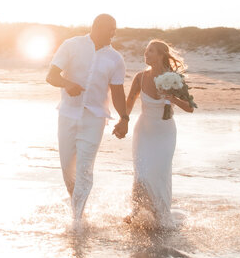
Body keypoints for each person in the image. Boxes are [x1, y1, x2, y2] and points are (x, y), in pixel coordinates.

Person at [46, 14, 128, 225]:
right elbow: (51, 76)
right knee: (68, 169)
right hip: (67, 115)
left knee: (84, 169)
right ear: (95, 27)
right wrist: (67, 84)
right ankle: (77, 208)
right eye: (109, 28)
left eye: (114, 29)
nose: (113, 33)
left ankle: (77, 219)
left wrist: (124, 118)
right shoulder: (72, 45)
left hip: (94, 119)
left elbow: (117, 91)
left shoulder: (115, 59)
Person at [124, 40, 194, 228]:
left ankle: (161, 215)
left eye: (151, 51)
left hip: (165, 133)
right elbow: (129, 101)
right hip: (144, 132)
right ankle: (137, 212)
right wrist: (123, 120)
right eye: (146, 51)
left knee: (159, 174)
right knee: (141, 175)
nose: (146, 54)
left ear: (161, 54)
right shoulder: (140, 77)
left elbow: (190, 108)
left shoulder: (174, 79)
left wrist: (173, 99)